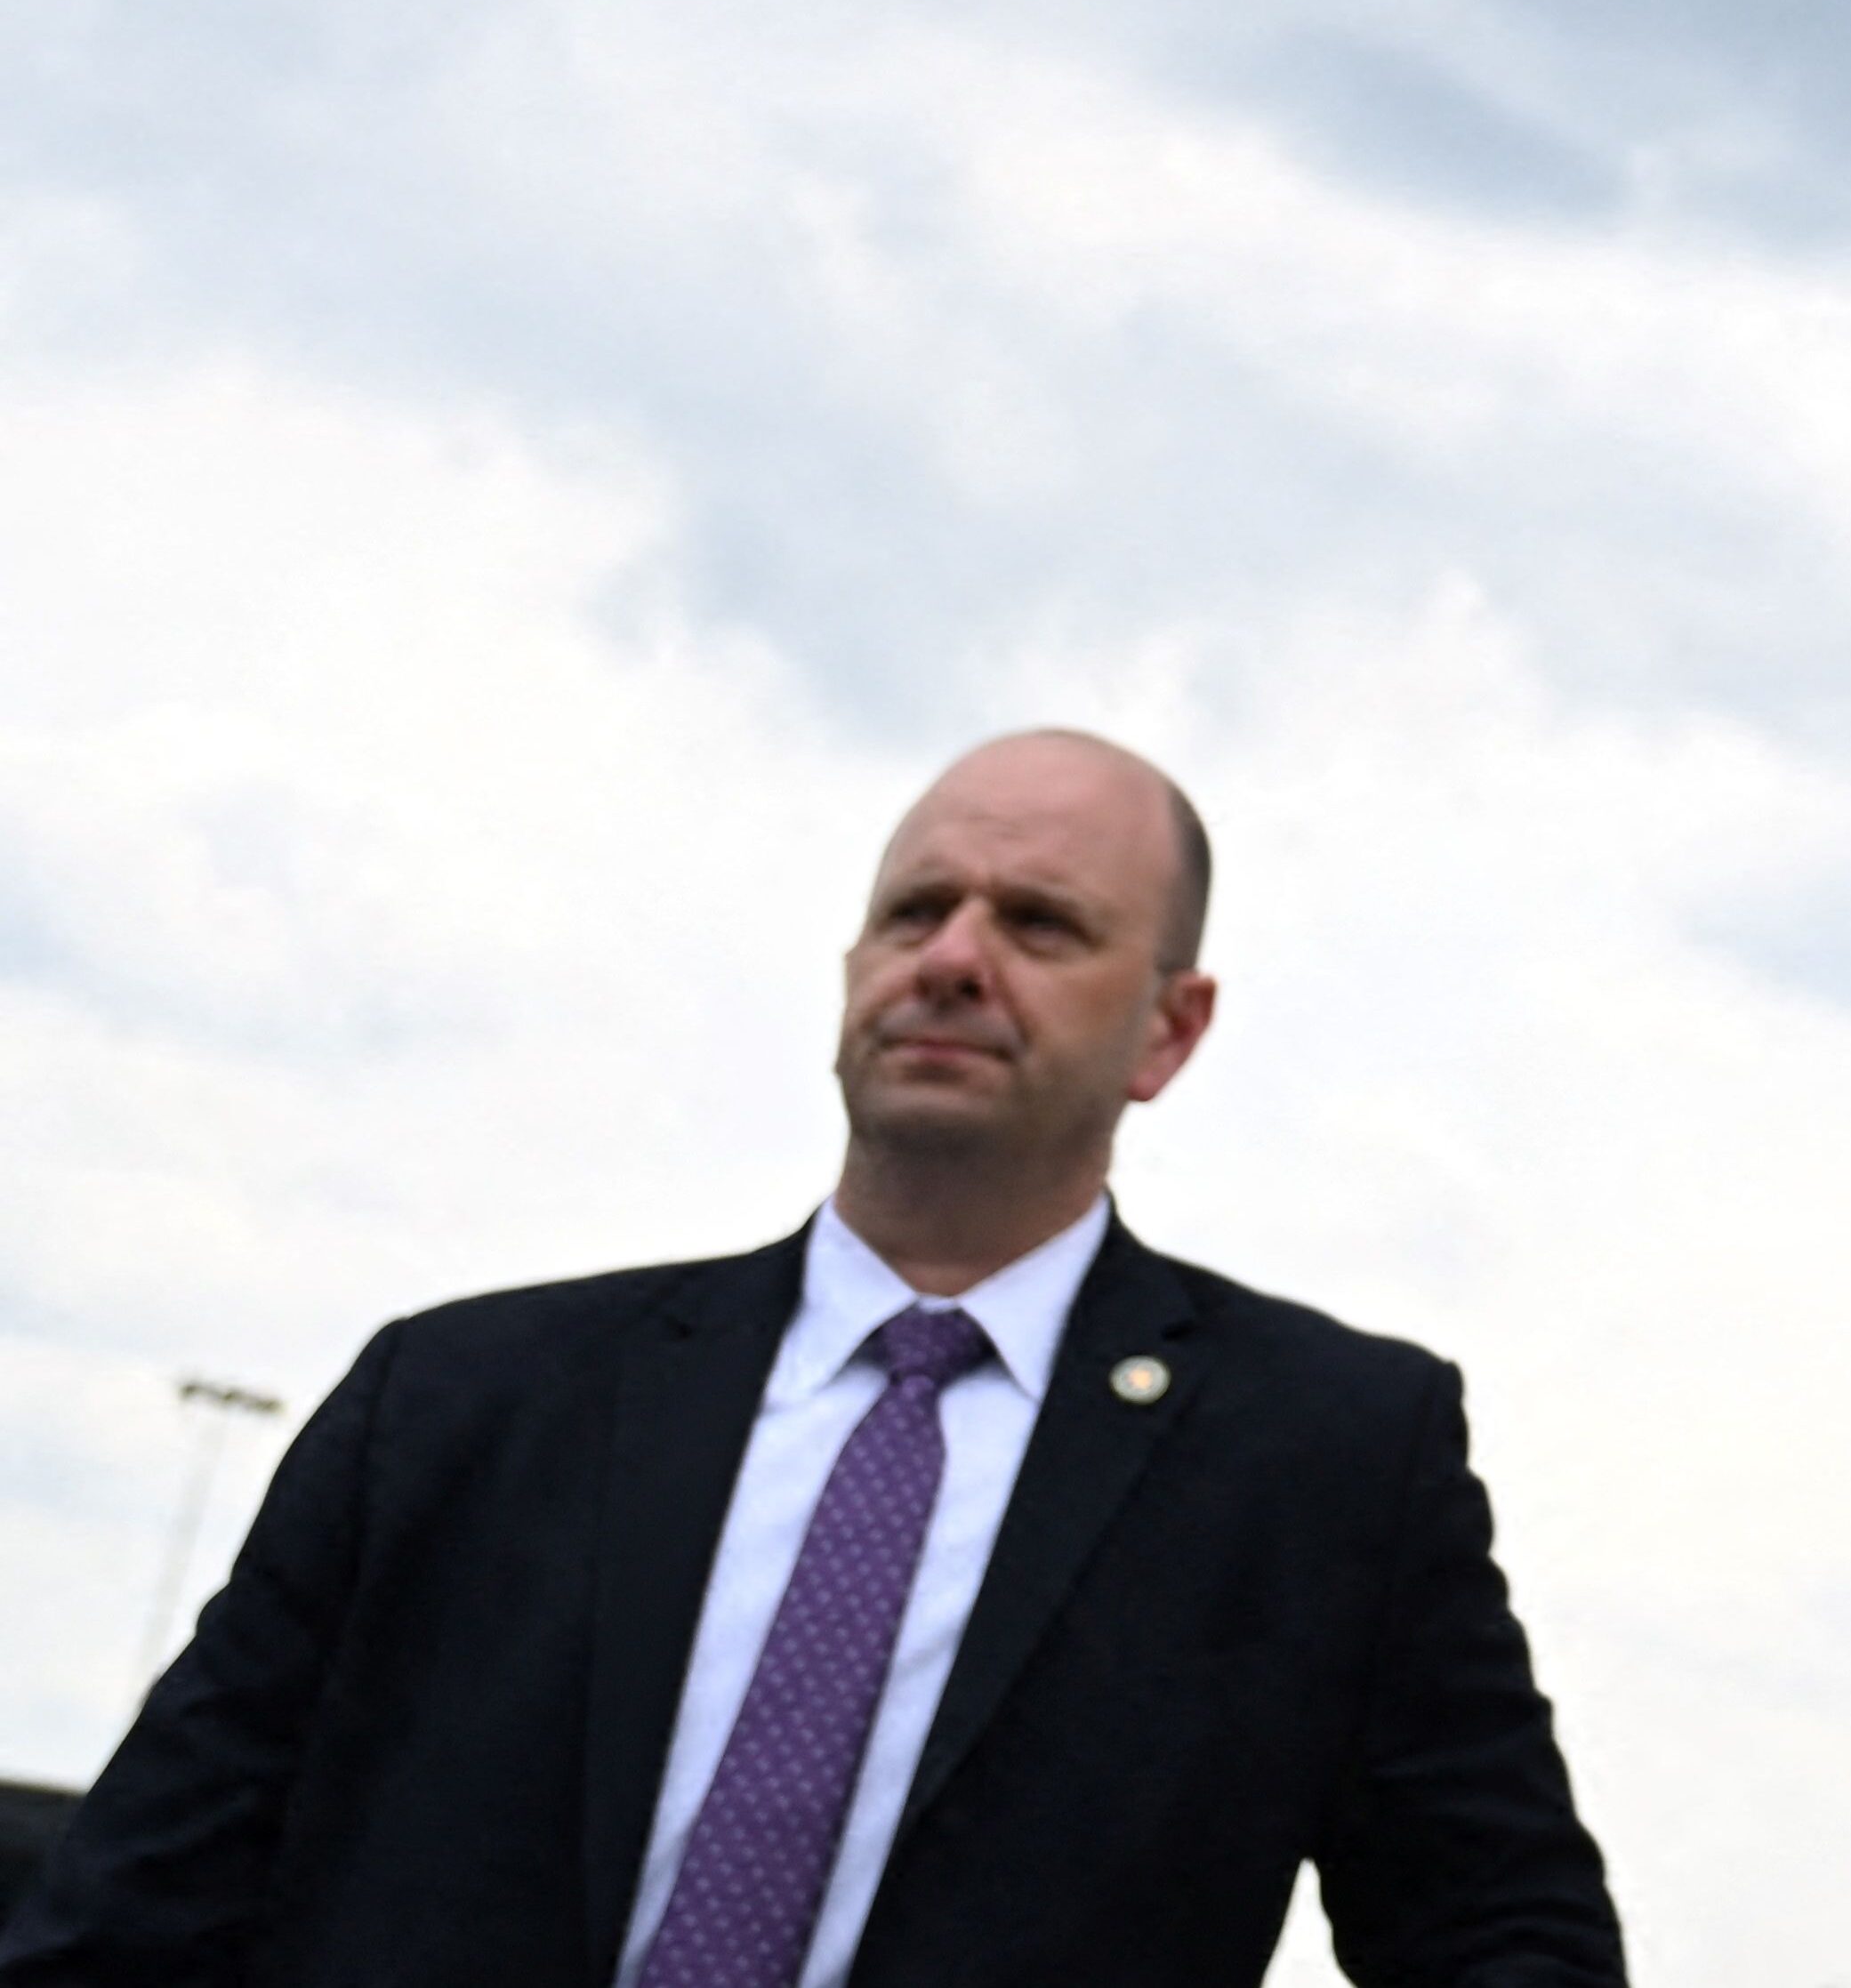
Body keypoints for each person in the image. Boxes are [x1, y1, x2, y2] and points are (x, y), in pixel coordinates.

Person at [3, 732, 1630, 1988]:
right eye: (916, 909)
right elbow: (138, 1905)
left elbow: (1505, 1934)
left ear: (1169, 1028)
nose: (955, 956)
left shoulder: (1331, 1459)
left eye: (1042, 923)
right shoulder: (460, 1403)